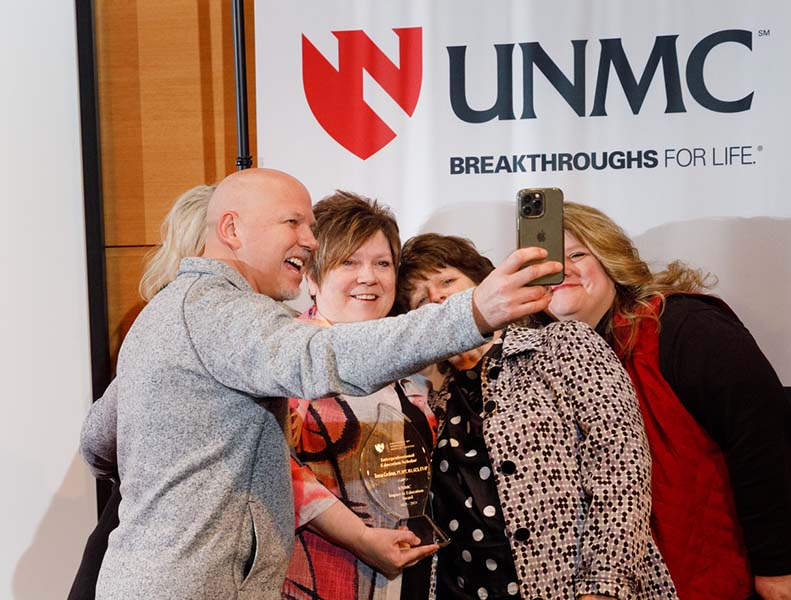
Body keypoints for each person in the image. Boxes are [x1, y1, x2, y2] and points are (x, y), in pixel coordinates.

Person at [79, 168, 562, 600]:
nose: (309, 241)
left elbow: (98, 441)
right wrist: (473, 311)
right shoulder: (218, 310)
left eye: (311, 227)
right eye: (292, 223)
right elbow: (318, 359)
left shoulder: (170, 313)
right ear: (231, 229)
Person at [546, 201, 791, 600]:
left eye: (577, 254)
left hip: (778, 568)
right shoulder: (540, 367)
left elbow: (763, 440)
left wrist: (778, 567)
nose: (563, 270)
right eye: (548, 262)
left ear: (610, 260)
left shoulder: (683, 326)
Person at [396, 233, 677, 600]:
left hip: (577, 590)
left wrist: (604, 586)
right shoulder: (427, 401)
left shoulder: (563, 344)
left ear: (486, 285)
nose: (438, 298)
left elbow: (621, 465)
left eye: (447, 281)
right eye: (420, 299)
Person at [281, 191, 437, 600]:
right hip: (319, 573)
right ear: (312, 277)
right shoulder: (286, 355)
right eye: (348, 262)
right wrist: (359, 537)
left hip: (414, 576)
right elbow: (276, 470)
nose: (369, 277)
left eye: (382, 263)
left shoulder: (415, 366)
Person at [68, 183, 216, 600]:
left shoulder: (162, 316)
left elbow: (97, 440)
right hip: (160, 552)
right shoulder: (177, 323)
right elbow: (98, 437)